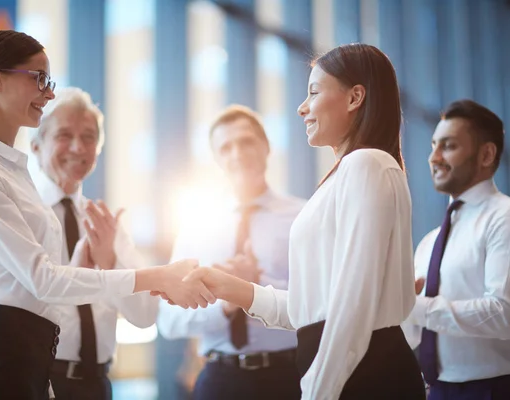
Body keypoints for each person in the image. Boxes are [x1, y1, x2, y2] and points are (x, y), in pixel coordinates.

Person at [0, 30, 213, 400]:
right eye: (39, 79)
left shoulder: (14, 172)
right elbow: (41, 281)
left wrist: (87, 263)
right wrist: (158, 275)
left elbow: (40, 290)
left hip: (29, 360)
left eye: (50, 82)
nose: (48, 93)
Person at [180, 43, 426, 399]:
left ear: (356, 97)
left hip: (360, 375)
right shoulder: (347, 174)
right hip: (349, 369)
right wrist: (227, 285)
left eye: (313, 92)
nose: (302, 107)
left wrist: (317, 391)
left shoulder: (365, 164)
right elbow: (307, 310)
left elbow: (352, 303)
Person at [156, 105, 305, 400]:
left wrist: (251, 289)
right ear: (216, 159)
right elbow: (169, 321)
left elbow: (322, 303)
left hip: (287, 377)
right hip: (220, 380)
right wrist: (226, 303)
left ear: (266, 146)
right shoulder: (197, 225)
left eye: (246, 141)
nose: (237, 153)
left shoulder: (303, 216)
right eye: (226, 147)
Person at [29, 87, 158, 399]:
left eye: (88, 137)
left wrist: (110, 263)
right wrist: (79, 275)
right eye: (64, 135)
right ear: (36, 146)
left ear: (98, 150)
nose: (77, 146)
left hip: (96, 385)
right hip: (37, 380)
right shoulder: (22, 215)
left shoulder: (105, 224)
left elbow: (145, 315)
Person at [403, 99, 510, 400]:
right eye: (433, 145)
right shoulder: (429, 242)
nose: (433, 157)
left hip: (492, 390)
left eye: (448, 146)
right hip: (435, 391)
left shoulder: (504, 218)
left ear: (486, 154)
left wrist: (414, 307)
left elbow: (504, 314)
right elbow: (416, 331)